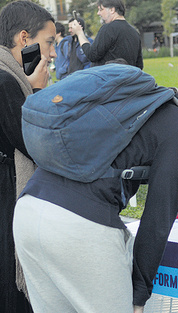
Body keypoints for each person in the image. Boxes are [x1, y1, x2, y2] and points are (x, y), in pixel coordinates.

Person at [13, 59, 178, 313]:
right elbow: (157, 217)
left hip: (29, 211)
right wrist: (138, 295)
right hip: (78, 227)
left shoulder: (147, 105)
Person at [0, 1, 56, 312]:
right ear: (25, 39)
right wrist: (36, 93)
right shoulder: (7, 83)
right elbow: (36, 144)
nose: (52, 53)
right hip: (8, 201)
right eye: (48, 42)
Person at [70, 0, 143, 69]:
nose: (98, 13)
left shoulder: (108, 29)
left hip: (108, 80)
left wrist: (79, 33)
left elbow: (92, 55)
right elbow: (139, 65)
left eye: (101, 9)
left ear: (112, 10)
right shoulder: (135, 32)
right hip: (128, 79)